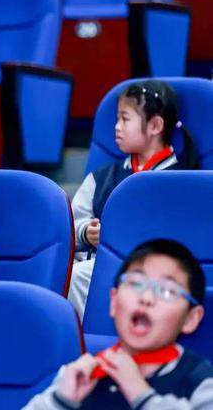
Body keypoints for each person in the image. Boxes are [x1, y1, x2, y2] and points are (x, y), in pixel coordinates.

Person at [25, 239, 213, 409]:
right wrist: (60, 402)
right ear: (114, 302)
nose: (146, 298)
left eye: (166, 291)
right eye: (136, 283)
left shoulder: (201, 382)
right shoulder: (82, 373)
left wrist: (142, 396)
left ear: (191, 318)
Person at [69, 80, 198, 318]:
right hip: (102, 265)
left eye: (125, 119)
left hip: (158, 271)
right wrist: (86, 232)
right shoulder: (101, 178)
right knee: (77, 274)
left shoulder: (184, 182)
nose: (116, 127)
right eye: (117, 119)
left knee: (80, 276)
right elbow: (67, 228)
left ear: (155, 125)